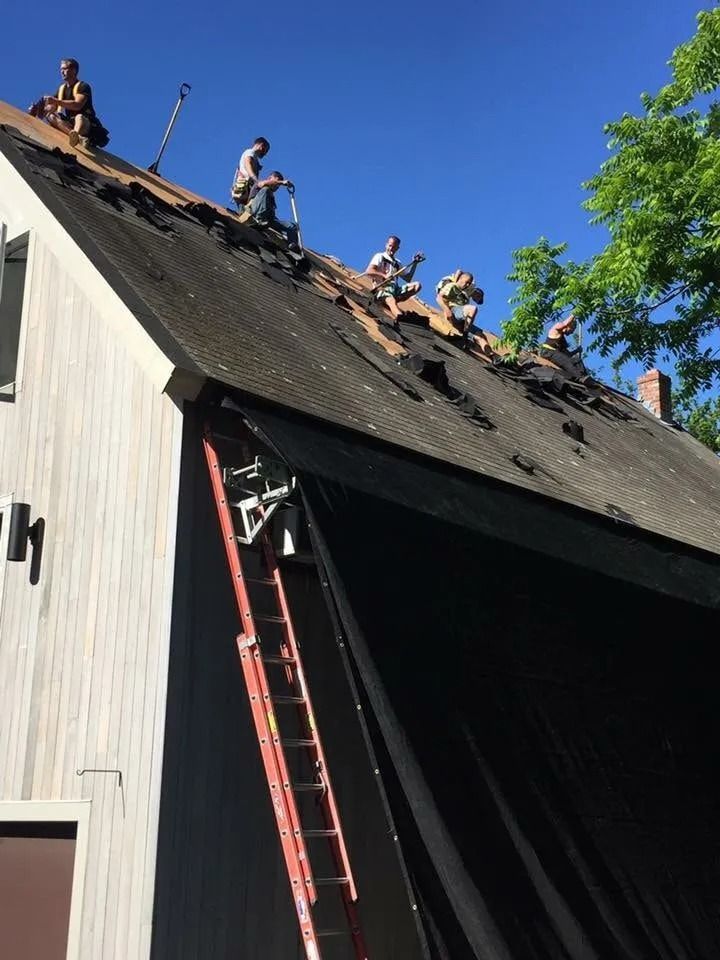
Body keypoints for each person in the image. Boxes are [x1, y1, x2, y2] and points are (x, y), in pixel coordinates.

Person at [32, 58, 109, 149]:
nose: (62, 72)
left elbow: (77, 105)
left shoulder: (83, 86)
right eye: (61, 69)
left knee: (79, 117)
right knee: (51, 116)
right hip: (71, 123)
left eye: (65, 69)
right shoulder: (61, 89)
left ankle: (75, 134)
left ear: (74, 70)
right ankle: (77, 138)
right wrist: (37, 110)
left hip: (87, 124)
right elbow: (52, 108)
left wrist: (56, 101)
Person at [365, 236, 424, 323]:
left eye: (394, 247)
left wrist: (415, 263)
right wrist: (384, 276)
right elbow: (369, 271)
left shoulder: (397, 262)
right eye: (390, 245)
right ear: (386, 245)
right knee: (390, 300)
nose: (391, 248)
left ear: (397, 248)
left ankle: (393, 301)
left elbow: (408, 278)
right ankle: (401, 319)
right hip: (381, 289)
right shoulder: (380, 256)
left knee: (417, 285)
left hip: (394, 290)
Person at [247, 171, 300, 248]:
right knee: (266, 189)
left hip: (269, 219)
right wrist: (282, 182)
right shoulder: (259, 185)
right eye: (276, 182)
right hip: (254, 211)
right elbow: (263, 184)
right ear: (270, 178)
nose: (277, 186)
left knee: (292, 226)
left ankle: (292, 245)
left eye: (278, 186)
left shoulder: (271, 196)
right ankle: (260, 219)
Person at [436, 270, 484, 336]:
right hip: (446, 283)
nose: (475, 300)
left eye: (475, 300)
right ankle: (465, 333)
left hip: (446, 292)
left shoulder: (466, 295)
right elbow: (459, 271)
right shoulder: (472, 285)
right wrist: (455, 282)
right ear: (478, 294)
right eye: (477, 299)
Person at [231, 137, 270, 207]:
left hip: (246, 189)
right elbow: (247, 164)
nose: (265, 154)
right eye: (265, 150)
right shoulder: (250, 152)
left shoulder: (255, 159)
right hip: (245, 186)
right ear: (261, 145)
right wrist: (256, 180)